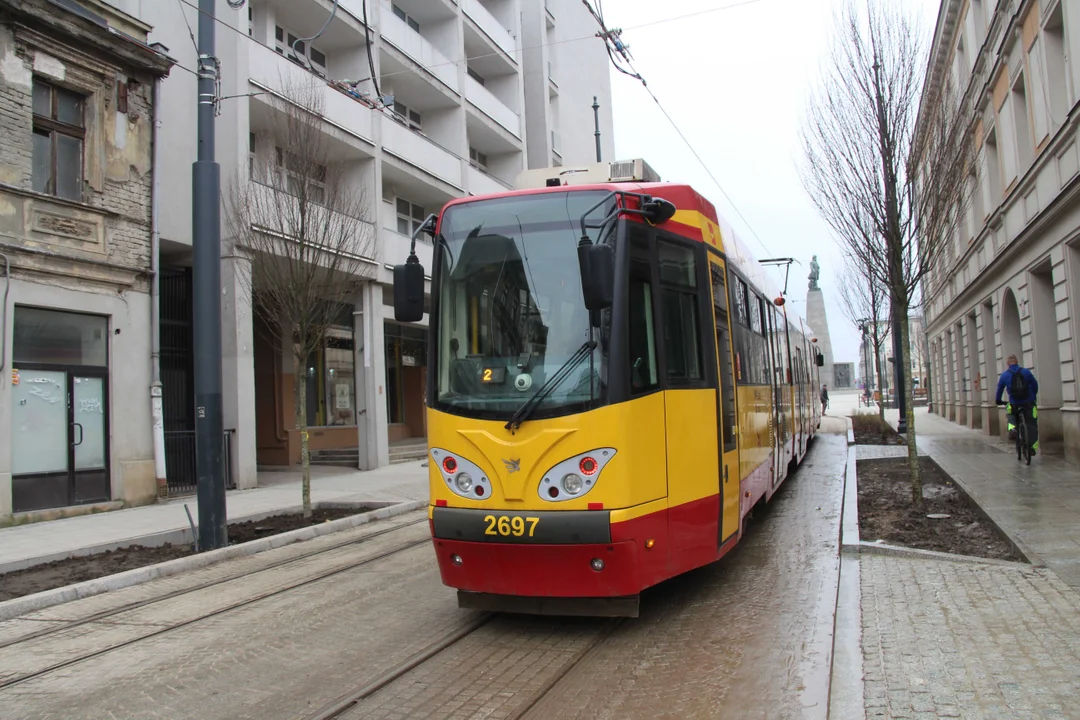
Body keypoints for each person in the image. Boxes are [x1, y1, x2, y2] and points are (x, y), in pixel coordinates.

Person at [995, 354, 1039, 454]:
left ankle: (1013, 428)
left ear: (1007, 364)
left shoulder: (1004, 375)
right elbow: (1035, 384)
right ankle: (1032, 446)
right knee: (1032, 423)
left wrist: (998, 400)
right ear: (1017, 362)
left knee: (1010, 413)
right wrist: (1033, 396)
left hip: (1014, 403)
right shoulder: (1026, 372)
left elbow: (999, 389)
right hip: (1028, 402)